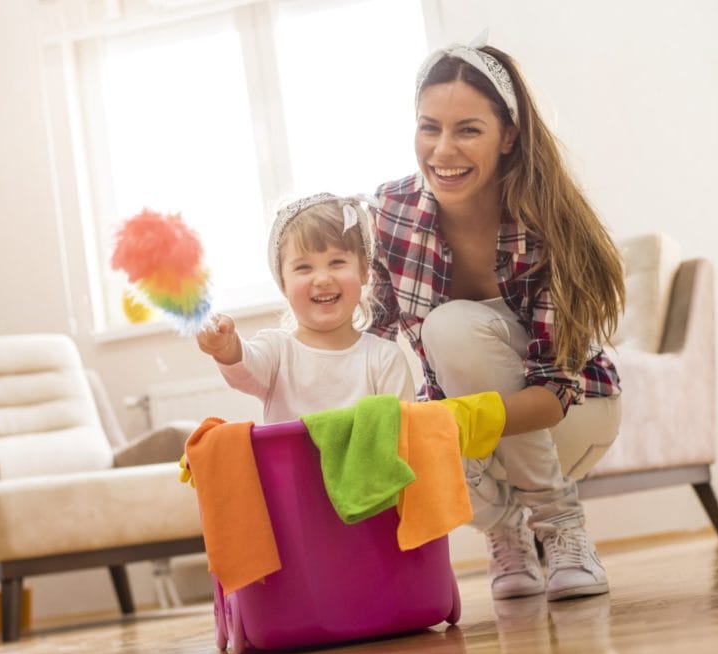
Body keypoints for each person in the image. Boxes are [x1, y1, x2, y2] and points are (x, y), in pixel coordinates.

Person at [369, 36, 625, 602]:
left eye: (468, 129)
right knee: (392, 421)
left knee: (450, 327)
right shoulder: (389, 214)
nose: (443, 150)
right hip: (479, 431)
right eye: (428, 126)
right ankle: (504, 533)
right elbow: (367, 342)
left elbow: (555, 392)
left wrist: (450, 425)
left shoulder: (548, 223)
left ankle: (561, 528)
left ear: (508, 135)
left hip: (572, 416)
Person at [197, 193, 415, 423]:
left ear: (363, 271)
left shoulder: (385, 359)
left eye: (337, 263)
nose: (322, 279)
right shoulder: (277, 352)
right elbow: (245, 365)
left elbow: (404, 437)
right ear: (283, 283)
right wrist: (226, 346)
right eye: (304, 268)